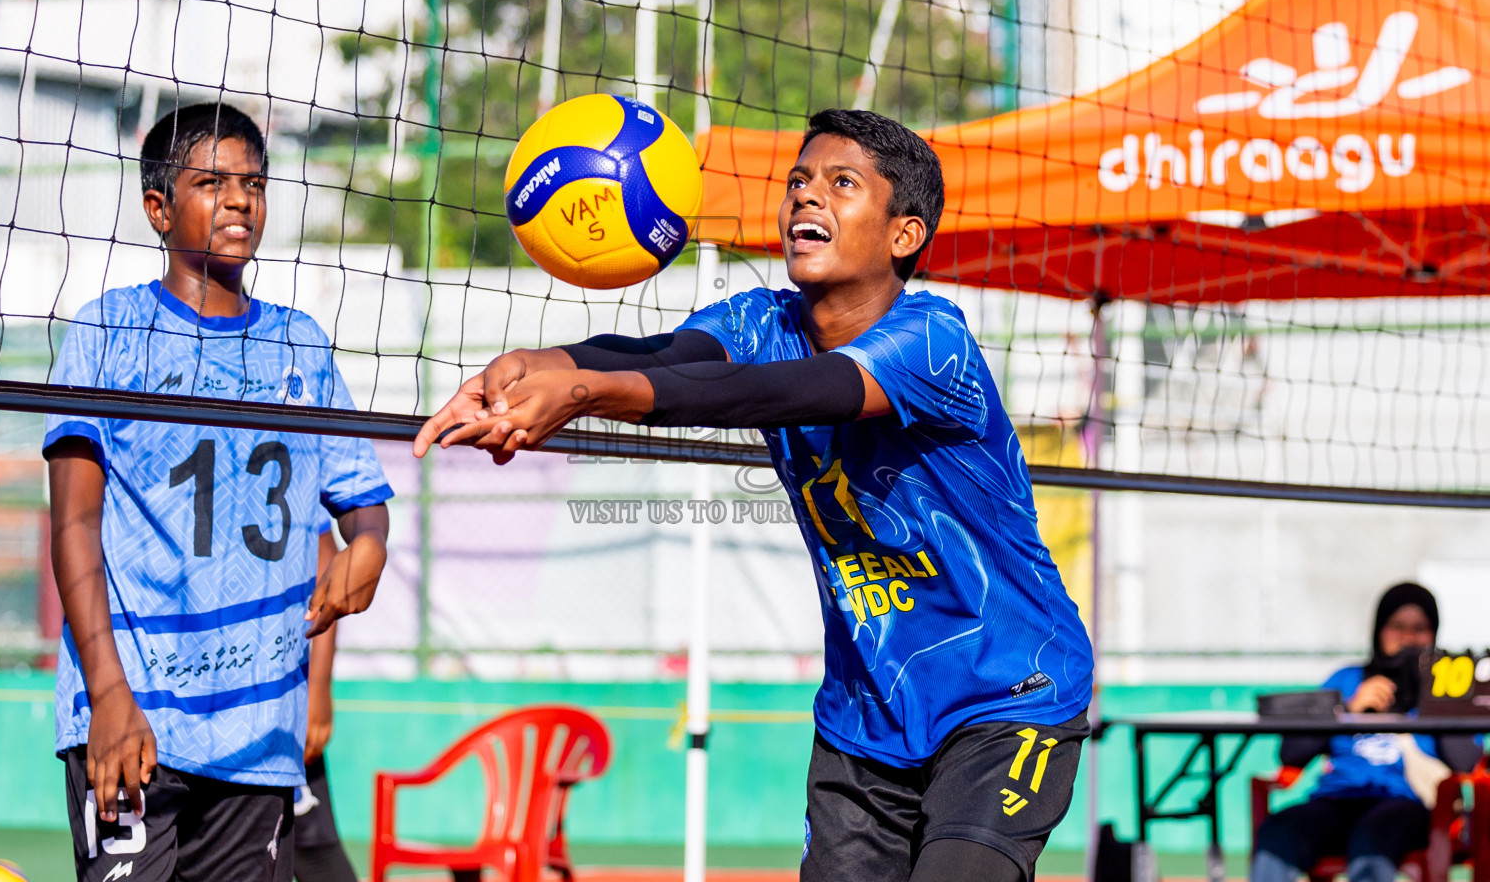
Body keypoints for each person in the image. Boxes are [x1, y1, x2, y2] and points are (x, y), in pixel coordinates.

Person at [413, 109, 1094, 882]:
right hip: (865, 718)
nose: (807, 198)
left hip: (1006, 696)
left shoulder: (932, 339)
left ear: (904, 235)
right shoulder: (760, 318)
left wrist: (582, 390)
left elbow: (776, 391)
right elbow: (669, 355)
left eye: (842, 184)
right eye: (798, 182)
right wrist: (538, 361)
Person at [45, 103, 393, 882]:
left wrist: (370, 541)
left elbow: (359, 497)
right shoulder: (111, 332)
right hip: (134, 713)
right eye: (212, 182)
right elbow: (72, 524)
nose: (240, 199)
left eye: (254, 183)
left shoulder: (300, 343)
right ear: (159, 209)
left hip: (256, 733)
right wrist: (107, 693)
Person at [1251, 582, 1481, 882]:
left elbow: (1467, 762)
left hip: (1405, 804)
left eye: (1419, 628)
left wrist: (1439, 698)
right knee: (1277, 834)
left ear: (1434, 634)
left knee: (1372, 841)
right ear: (1378, 630)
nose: (1408, 637)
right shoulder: (1346, 679)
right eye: (1397, 626)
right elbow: (1291, 753)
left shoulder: (1447, 686)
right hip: (1337, 799)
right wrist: (1347, 710)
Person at [293, 528, 359, 882]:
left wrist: (316, 689)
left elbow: (324, 559)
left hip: (275, 704)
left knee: (315, 849)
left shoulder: (296, 475)